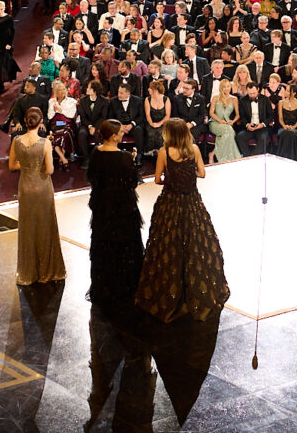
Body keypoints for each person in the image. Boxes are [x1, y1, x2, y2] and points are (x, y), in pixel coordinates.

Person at [134, 119, 230, 323]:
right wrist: (189, 174)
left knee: (168, 243)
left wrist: (173, 177)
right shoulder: (194, 149)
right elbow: (202, 173)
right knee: (196, 242)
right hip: (191, 202)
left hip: (170, 203)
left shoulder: (164, 152)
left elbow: (158, 179)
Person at [86, 119, 144, 308]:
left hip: (103, 208)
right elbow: (133, 182)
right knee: (125, 246)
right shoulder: (124, 158)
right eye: (120, 133)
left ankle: (104, 286)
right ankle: (126, 286)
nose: (122, 135)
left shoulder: (96, 153)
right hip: (123, 209)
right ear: (113, 136)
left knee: (103, 245)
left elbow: (92, 178)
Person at [8, 108, 66, 285]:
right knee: (45, 226)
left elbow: (12, 165)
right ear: (40, 123)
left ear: (26, 122)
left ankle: (29, 272)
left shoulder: (16, 141)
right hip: (42, 189)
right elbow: (49, 170)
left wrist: (27, 167)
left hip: (25, 188)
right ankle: (47, 270)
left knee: (28, 227)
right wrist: (37, 166)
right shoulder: (45, 143)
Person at [207, 78, 240, 164]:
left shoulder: (234, 99)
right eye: (224, 87)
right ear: (221, 88)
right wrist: (220, 121)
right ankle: (231, 158)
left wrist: (233, 121)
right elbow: (211, 113)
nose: (226, 88)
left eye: (228, 86)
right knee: (229, 131)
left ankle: (212, 154)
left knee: (229, 131)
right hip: (215, 122)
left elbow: (237, 115)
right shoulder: (215, 97)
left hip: (228, 123)